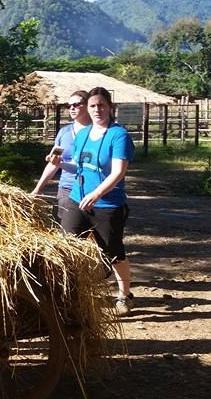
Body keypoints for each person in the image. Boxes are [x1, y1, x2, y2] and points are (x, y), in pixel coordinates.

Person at [60, 86, 136, 316]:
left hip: (107, 204)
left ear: (110, 107)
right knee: (68, 246)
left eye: (101, 105)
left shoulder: (118, 135)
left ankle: (124, 295)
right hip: (78, 200)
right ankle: (72, 296)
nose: (97, 110)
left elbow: (118, 172)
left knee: (113, 253)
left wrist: (96, 194)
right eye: (93, 106)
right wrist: (57, 163)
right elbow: (79, 166)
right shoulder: (83, 134)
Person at [30, 90, 92, 222]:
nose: (72, 108)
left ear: (88, 105)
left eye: (76, 104)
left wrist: (60, 164)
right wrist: (37, 189)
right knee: (64, 229)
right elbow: (53, 163)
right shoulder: (64, 132)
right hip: (67, 189)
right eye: (69, 105)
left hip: (92, 189)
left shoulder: (98, 132)